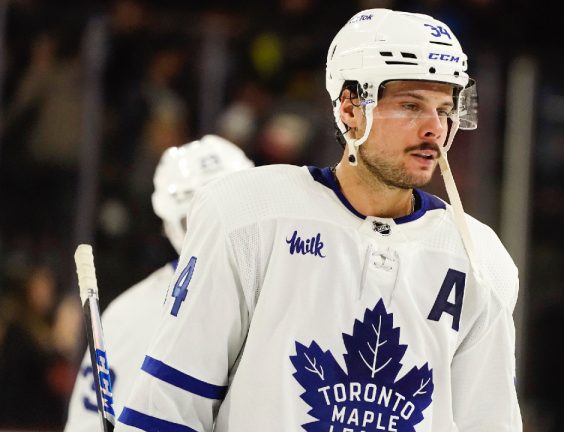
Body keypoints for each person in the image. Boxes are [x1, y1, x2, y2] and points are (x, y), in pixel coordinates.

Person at [117, 9, 522, 431]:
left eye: (444, 108)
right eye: (410, 105)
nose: (434, 129)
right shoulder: (249, 217)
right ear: (350, 106)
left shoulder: (480, 260)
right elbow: (168, 408)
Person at [63, 136, 254, 432]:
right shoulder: (132, 315)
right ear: (168, 223)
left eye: (231, 213)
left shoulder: (291, 283)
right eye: (196, 219)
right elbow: (86, 425)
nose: (217, 231)